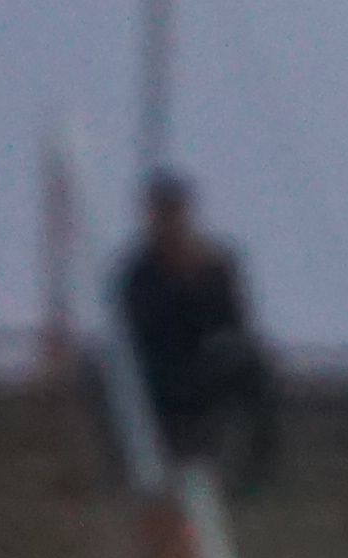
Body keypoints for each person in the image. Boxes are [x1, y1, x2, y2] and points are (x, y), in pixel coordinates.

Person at [115, 173, 282, 487]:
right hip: (156, 373)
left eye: (174, 212)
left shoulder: (216, 265)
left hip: (201, 367)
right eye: (160, 213)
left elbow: (235, 323)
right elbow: (134, 332)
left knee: (250, 362)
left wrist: (199, 284)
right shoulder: (137, 272)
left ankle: (259, 469)